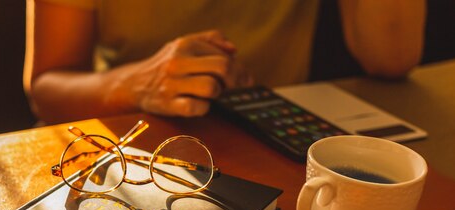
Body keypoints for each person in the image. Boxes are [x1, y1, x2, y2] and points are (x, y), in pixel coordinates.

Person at [23, 0, 426, 124]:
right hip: (132, 143)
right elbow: (47, 90)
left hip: (279, 147)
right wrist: (138, 84)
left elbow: (391, 57)